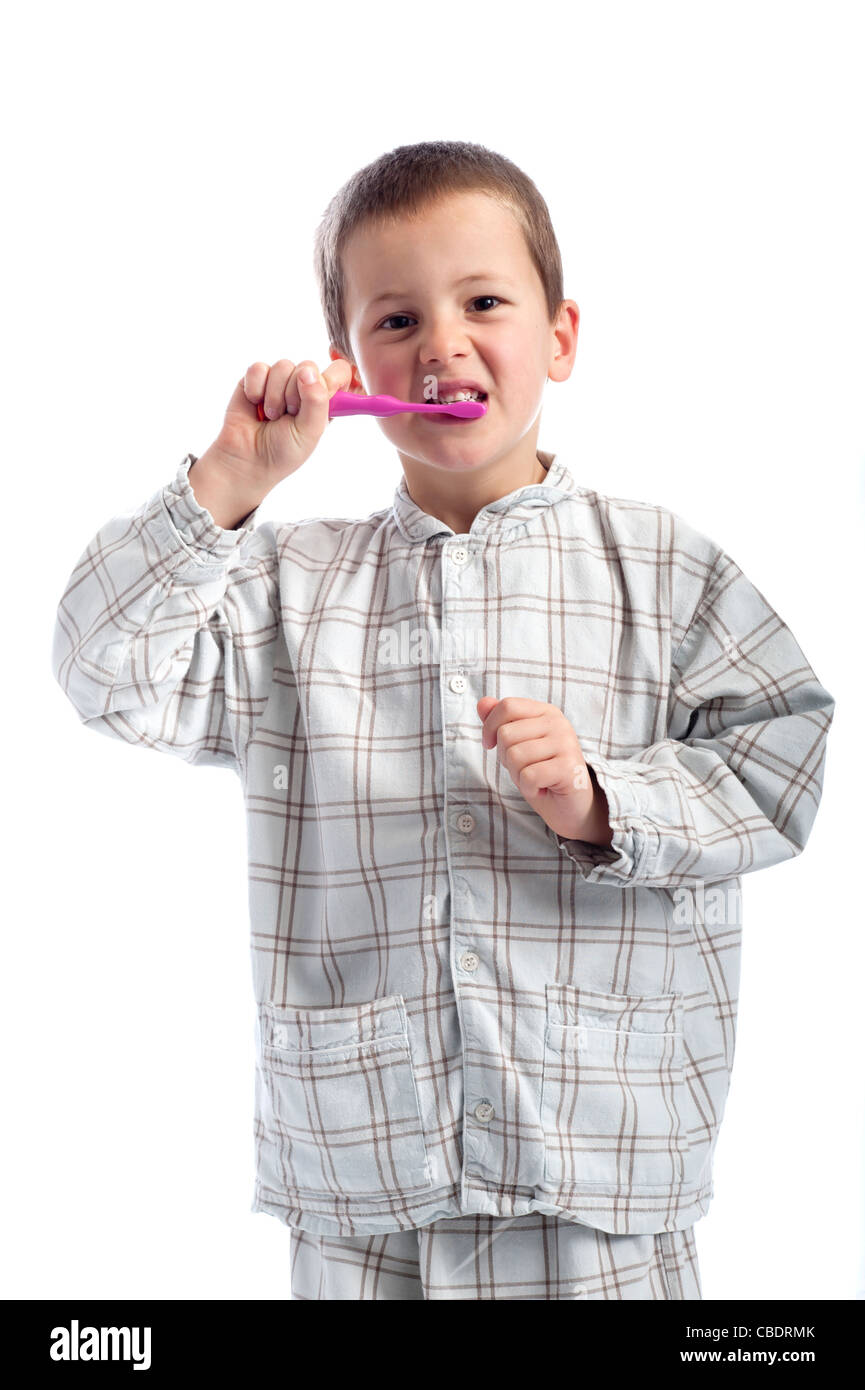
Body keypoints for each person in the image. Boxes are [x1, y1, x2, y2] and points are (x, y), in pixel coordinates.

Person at [51, 140, 835, 1301]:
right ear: (347, 361)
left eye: (482, 303)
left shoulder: (666, 566)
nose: (444, 346)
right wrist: (227, 477)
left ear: (559, 336)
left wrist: (604, 799)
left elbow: (783, 755)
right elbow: (103, 666)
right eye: (397, 320)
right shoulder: (281, 587)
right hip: (367, 1175)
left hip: (596, 1164)